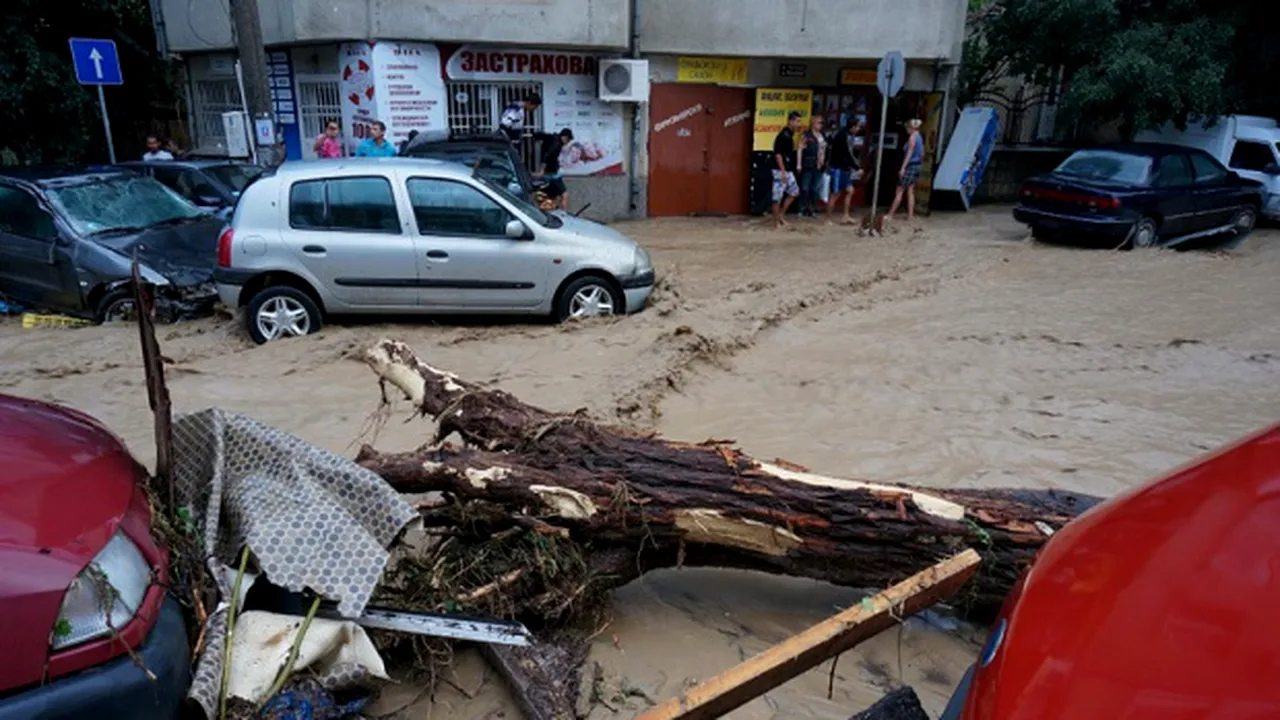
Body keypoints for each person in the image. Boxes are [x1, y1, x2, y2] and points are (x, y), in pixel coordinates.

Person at [826, 116, 864, 225]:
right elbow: (849, 154)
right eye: (857, 127)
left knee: (850, 191)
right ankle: (827, 218)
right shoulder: (843, 136)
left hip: (844, 168)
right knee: (835, 193)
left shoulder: (847, 135)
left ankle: (846, 216)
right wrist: (857, 168)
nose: (858, 129)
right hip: (838, 169)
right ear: (852, 127)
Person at [887, 118, 924, 221]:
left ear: (910, 127)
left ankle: (890, 214)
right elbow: (922, 154)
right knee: (910, 190)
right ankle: (910, 215)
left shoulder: (912, 137)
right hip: (917, 165)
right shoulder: (919, 137)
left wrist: (903, 168)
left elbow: (909, 153)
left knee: (899, 190)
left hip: (910, 165)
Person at [770, 111, 803, 228]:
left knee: (794, 192)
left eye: (799, 121)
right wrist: (782, 170)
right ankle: (775, 222)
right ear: (790, 121)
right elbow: (778, 154)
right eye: (797, 121)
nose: (799, 124)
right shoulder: (783, 135)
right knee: (777, 197)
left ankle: (781, 216)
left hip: (788, 169)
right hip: (780, 170)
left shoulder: (791, 135)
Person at [532, 128, 573, 212]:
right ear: (564, 137)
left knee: (551, 197)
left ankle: (552, 212)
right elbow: (548, 156)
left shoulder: (553, 138)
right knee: (564, 195)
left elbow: (541, 136)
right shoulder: (557, 144)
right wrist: (542, 170)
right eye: (567, 141)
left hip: (550, 173)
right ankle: (563, 214)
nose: (567, 143)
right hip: (552, 174)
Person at [797, 116, 827, 217]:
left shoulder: (822, 136)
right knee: (805, 187)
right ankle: (802, 208)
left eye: (822, 123)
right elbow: (800, 149)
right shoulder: (806, 135)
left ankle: (811, 208)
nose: (820, 125)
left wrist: (822, 160)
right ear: (813, 123)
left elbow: (823, 149)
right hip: (807, 163)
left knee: (815, 189)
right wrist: (799, 164)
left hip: (818, 165)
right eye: (819, 123)